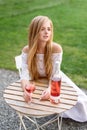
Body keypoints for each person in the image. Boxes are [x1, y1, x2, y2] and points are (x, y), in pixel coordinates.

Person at [20, 15, 87, 122]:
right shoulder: (27, 50)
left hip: (54, 78)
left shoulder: (56, 48)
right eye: (42, 29)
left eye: (49, 29)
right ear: (34, 31)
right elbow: (24, 74)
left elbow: (54, 73)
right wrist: (25, 90)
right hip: (35, 78)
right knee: (32, 97)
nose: (46, 32)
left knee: (81, 102)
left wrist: (50, 89)